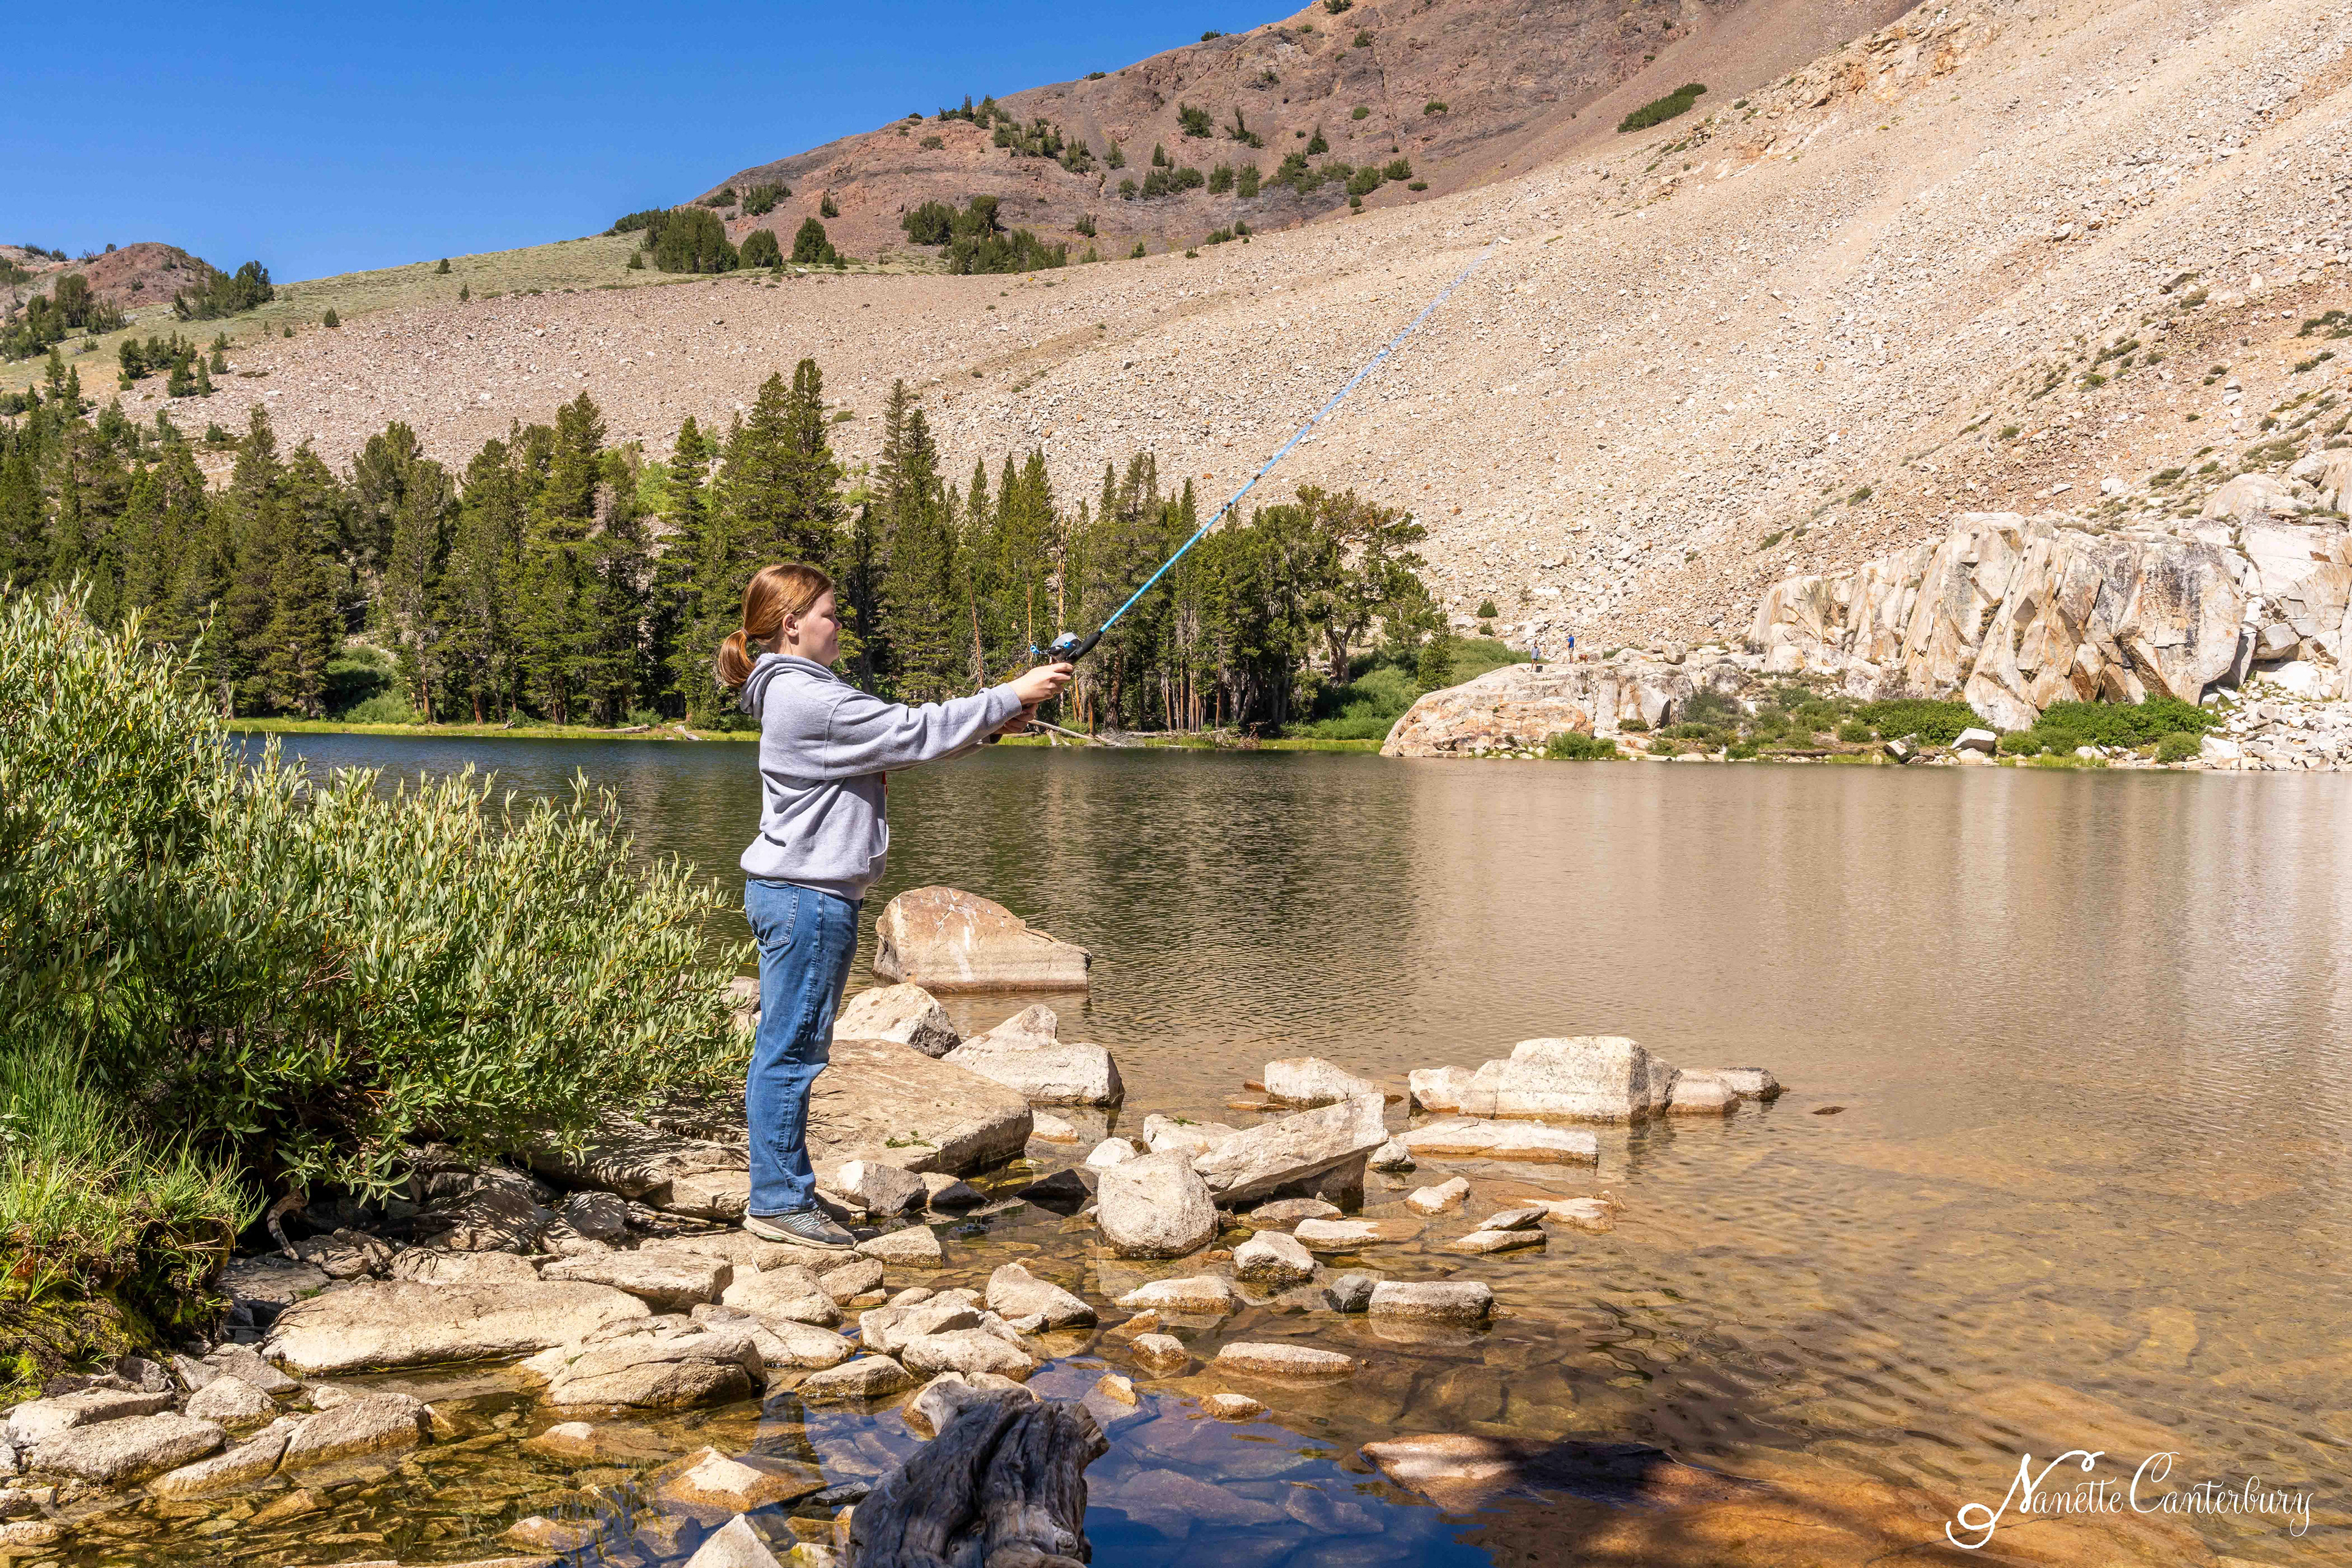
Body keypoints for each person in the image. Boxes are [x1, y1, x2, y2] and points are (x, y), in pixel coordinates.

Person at [716, 562, 1072, 1248]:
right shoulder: (806, 697)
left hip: (800, 895)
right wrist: (1005, 695)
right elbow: (913, 728)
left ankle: (784, 1191)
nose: (839, 623)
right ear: (792, 624)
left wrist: (996, 722)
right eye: (830, 613)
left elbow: (903, 745)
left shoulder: (804, 694)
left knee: (788, 1049)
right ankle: (777, 1202)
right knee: (790, 1055)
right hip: (806, 899)